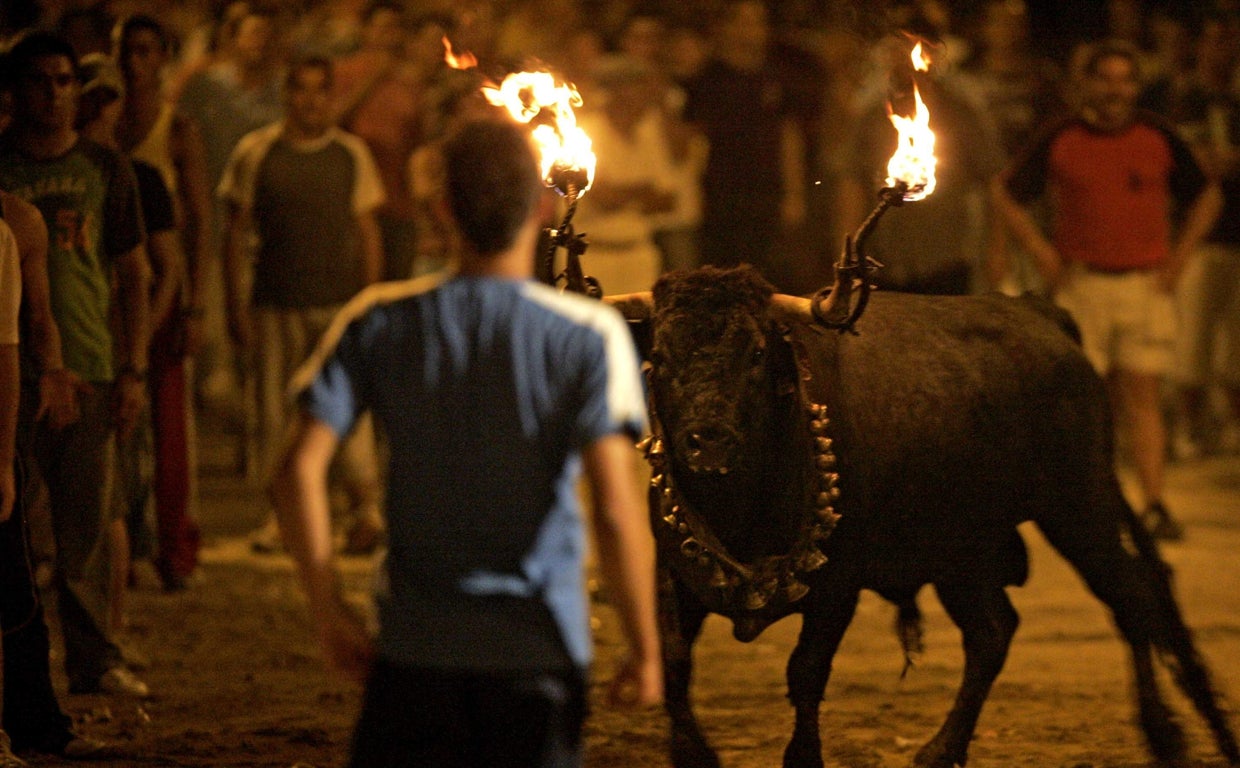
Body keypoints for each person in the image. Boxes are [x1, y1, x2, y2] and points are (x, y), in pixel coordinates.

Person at [270, 116, 662, 767]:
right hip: (538, 651)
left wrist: (328, 607)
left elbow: (294, 472)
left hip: (414, 650)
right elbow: (617, 513)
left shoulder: (378, 319)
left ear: (441, 207)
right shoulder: (590, 336)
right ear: (543, 206)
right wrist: (645, 650)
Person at [992, 39, 1222, 541]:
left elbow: (1206, 196)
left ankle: (1154, 504)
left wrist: (1178, 259)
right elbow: (1006, 192)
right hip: (1083, 285)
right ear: (1087, 83)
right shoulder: (1062, 136)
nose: (1116, 90)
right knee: (1084, 403)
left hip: (1144, 284)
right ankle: (1093, 509)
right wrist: (1042, 252)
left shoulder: (1157, 136)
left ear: (1136, 86)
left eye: (1126, 79)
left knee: (1143, 397)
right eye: (1106, 78)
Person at [0, 30, 152, 698]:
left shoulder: (105, 166)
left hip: (88, 361)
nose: (55, 94)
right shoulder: (1, 167)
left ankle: (93, 657)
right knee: (14, 526)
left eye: (66, 81)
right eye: (41, 80)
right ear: (15, 90)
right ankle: (21, 666)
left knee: (85, 524)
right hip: (12, 365)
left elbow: (132, 273)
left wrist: (133, 368)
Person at [218, 56, 385, 555]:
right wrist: (235, 303)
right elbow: (235, 231)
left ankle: (363, 514)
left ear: (332, 97)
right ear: (286, 95)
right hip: (276, 302)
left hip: (337, 305)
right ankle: (282, 517)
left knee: (349, 414)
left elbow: (366, 232)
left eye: (320, 91)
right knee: (273, 415)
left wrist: (368, 302)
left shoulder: (351, 154)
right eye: (300, 90)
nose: (310, 101)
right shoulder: (257, 152)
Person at [112, 14, 208, 591]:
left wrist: (195, 304)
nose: (134, 62)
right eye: (128, 50)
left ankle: (175, 547)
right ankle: (123, 544)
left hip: (162, 291)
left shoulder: (176, 130)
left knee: (170, 430)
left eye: (145, 51)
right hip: (112, 292)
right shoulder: (104, 121)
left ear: (164, 57)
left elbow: (197, 220)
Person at [683, 0, 807, 275]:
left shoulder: (776, 76)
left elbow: (789, 135)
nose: (751, 30)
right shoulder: (707, 78)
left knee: (764, 271)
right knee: (720, 272)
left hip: (765, 192)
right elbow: (691, 138)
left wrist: (794, 192)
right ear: (726, 27)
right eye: (744, 22)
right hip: (719, 193)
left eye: (758, 22)